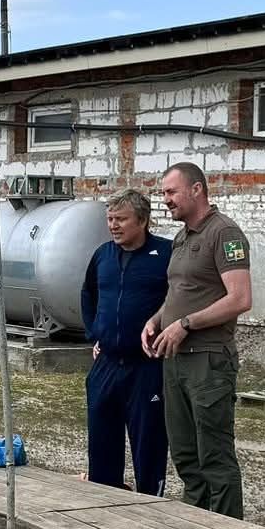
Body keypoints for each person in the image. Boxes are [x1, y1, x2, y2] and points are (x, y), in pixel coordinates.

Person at [141, 162, 251, 517]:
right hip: (175, 359)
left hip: (208, 359)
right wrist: (157, 320)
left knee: (214, 454)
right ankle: (195, 523)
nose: (166, 200)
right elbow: (182, 290)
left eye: (171, 192)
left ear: (196, 190)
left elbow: (240, 299)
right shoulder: (182, 237)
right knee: (186, 453)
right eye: (163, 193)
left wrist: (186, 324)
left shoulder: (225, 234)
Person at [79, 190, 170, 493]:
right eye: (110, 219)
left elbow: (181, 298)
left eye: (121, 219)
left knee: (149, 443)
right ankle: (104, 496)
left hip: (146, 367)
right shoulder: (102, 255)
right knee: (102, 441)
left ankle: (150, 503)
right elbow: (88, 294)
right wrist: (97, 333)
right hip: (106, 365)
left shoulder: (166, 255)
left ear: (142, 221)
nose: (113, 225)